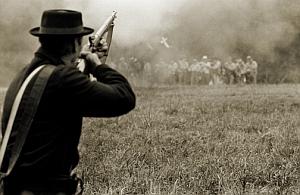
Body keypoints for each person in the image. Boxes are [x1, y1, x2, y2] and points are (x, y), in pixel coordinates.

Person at [1, 9, 136, 195]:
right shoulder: (62, 79)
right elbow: (124, 98)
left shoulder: (28, 73)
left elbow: (64, 102)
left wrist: (84, 66)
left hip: (19, 186)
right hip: (45, 189)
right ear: (75, 43)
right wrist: (98, 66)